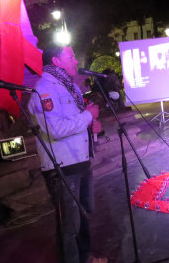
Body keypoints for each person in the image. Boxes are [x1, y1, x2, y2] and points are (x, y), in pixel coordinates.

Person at [28, 46, 106, 263]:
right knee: (69, 225)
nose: (75, 60)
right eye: (70, 56)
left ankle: (86, 258)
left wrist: (93, 127)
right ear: (56, 60)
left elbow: (77, 122)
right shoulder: (44, 90)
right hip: (62, 166)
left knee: (83, 215)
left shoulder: (70, 87)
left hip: (80, 160)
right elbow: (55, 129)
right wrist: (87, 117)